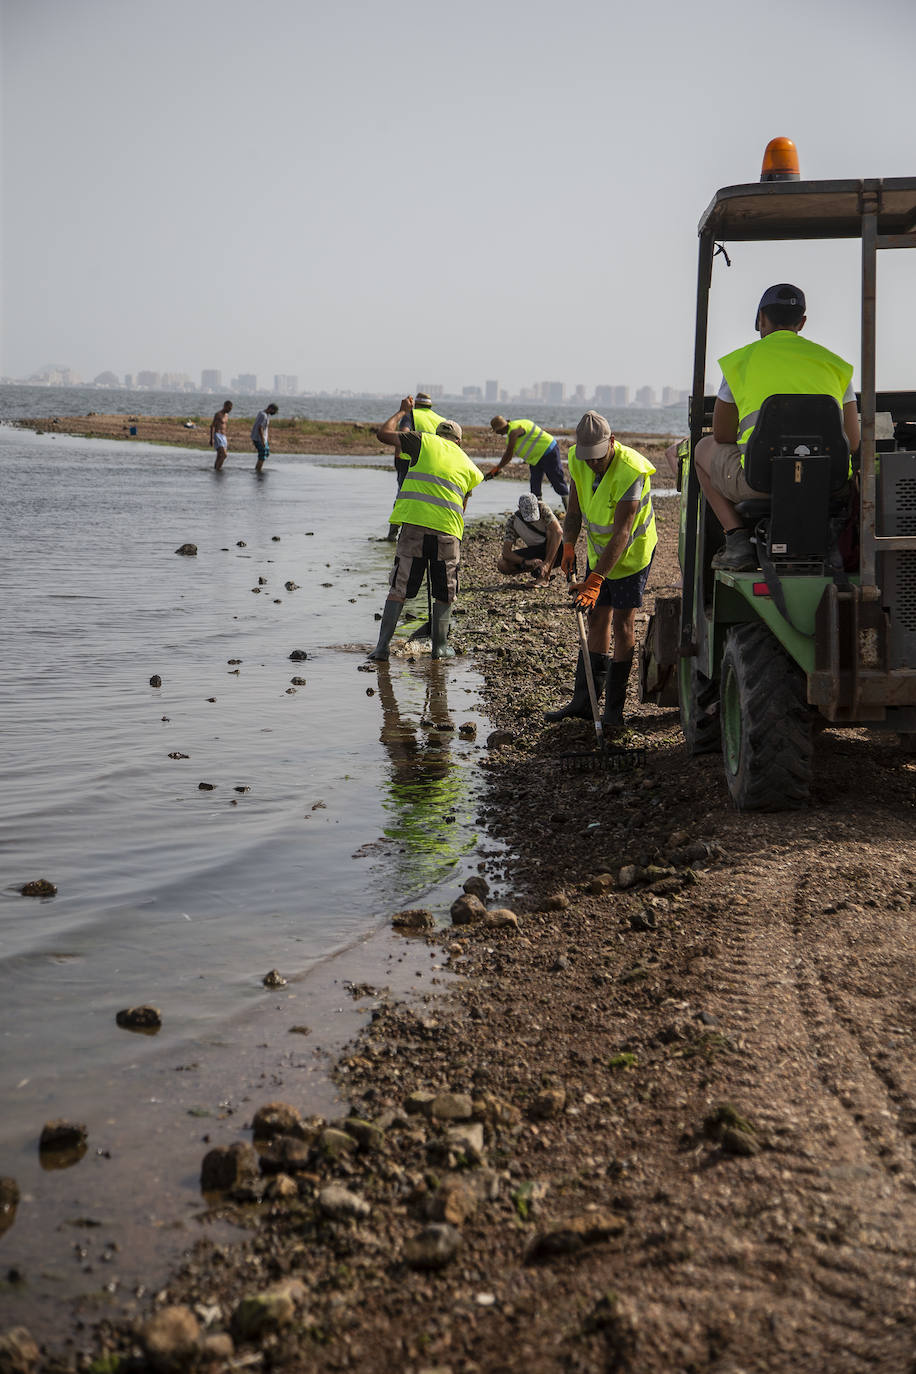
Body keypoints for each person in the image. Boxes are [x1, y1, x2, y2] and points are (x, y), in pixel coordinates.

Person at [694, 283, 860, 572]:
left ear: (761, 318)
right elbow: (854, 442)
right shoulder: (836, 365)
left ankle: (737, 540)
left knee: (701, 448)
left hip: (759, 484)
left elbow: (721, 434)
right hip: (828, 486)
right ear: (802, 322)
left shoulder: (740, 362)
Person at [545, 411, 657, 731]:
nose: (593, 463)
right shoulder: (579, 460)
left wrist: (594, 580)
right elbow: (575, 510)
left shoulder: (632, 469)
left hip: (631, 556)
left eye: (597, 457)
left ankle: (613, 713)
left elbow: (622, 532)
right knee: (596, 618)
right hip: (598, 552)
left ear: (611, 442)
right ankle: (584, 703)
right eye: (588, 457)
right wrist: (568, 545)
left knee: (622, 624)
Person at [370, 401, 484, 661]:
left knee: (399, 588)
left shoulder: (422, 441)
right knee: (445, 592)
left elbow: (383, 434)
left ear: (438, 436)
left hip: (414, 528)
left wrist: (401, 412)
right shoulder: (469, 465)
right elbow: (463, 503)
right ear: (459, 442)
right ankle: (440, 648)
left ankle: (381, 648)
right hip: (447, 531)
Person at [386, 392, 452, 539]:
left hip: (408, 461)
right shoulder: (441, 420)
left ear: (416, 404)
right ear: (430, 405)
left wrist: (397, 457)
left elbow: (403, 434)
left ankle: (393, 533)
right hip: (434, 462)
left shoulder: (411, 415)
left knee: (403, 496)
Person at [485, 415, 569, 506]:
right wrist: (497, 469)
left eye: (496, 431)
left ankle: (571, 511)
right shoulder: (513, 430)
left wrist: (497, 468)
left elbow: (509, 454)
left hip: (548, 452)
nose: (496, 433)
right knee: (534, 488)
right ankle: (538, 514)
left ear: (499, 429)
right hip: (535, 459)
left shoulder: (514, 430)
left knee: (557, 482)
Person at [498, 492, 563, 584]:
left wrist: (547, 563)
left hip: (555, 550)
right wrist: (525, 562)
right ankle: (538, 570)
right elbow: (506, 552)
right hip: (535, 551)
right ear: (519, 508)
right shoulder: (513, 521)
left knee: (552, 532)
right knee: (503, 564)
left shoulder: (543, 508)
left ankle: (544, 576)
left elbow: (558, 532)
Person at [251, 403, 279, 471]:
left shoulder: (263, 414)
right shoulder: (263, 415)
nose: (274, 413)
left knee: (266, 453)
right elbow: (260, 428)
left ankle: (258, 469)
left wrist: (266, 440)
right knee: (262, 455)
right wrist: (263, 440)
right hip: (259, 439)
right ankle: (258, 471)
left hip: (262, 439)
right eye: (274, 411)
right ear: (270, 409)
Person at [209, 400, 233, 470]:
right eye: (228, 408)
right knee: (224, 455)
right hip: (218, 435)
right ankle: (218, 469)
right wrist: (211, 439)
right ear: (225, 406)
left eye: (230, 409)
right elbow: (212, 426)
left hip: (224, 436)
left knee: (219, 455)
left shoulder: (227, 416)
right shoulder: (218, 414)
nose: (229, 410)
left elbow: (224, 426)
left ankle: (216, 470)